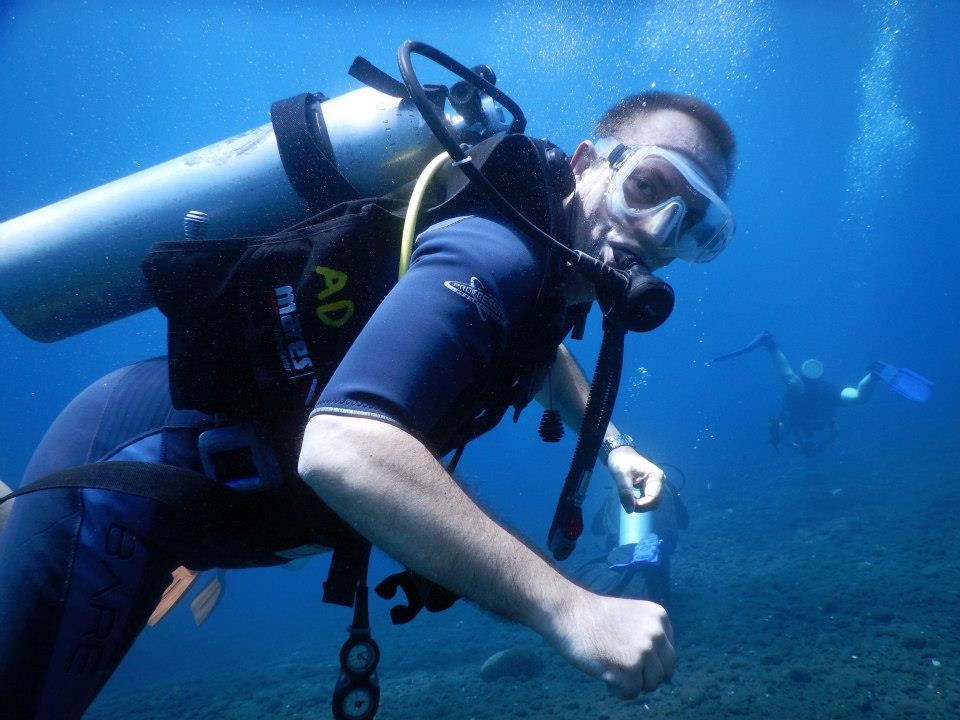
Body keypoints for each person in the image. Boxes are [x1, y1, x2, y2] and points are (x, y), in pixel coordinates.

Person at [0, 88, 737, 718]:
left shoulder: (543, 267)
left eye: (695, 227)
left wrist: (616, 448)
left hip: (187, 496)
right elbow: (344, 445)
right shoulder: (499, 251)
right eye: (648, 187)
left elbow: (542, 356)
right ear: (586, 163)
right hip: (120, 490)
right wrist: (572, 609)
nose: (657, 233)